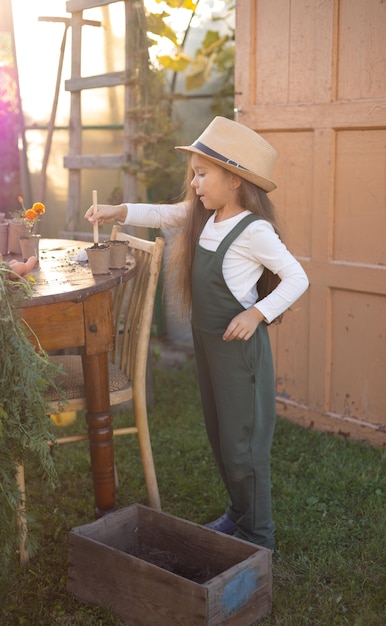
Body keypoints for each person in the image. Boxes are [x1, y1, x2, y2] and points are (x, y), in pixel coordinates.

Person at [85, 116, 309, 551]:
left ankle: (258, 537)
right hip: (210, 349)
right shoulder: (206, 216)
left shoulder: (253, 230)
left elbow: (297, 277)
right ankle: (239, 515)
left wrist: (257, 314)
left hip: (239, 355)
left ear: (235, 180)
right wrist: (120, 211)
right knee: (221, 436)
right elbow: (165, 213)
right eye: (195, 173)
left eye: (203, 173)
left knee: (244, 446)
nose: (195, 182)